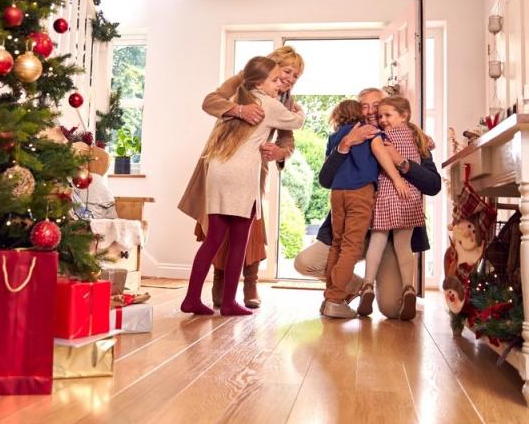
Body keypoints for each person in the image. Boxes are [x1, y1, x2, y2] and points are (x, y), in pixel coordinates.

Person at [294, 88, 442, 318]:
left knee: (392, 309)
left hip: (391, 234)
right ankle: (356, 286)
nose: (373, 112)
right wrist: (344, 146)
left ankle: (373, 288)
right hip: (358, 232)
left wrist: (402, 163)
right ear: (358, 110)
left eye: (378, 106)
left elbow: (433, 185)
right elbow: (325, 180)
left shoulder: (413, 138)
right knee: (305, 262)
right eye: (365, 106)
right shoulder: (350, 137)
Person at [179, 46, 304, 309]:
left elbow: (286, 139)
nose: (291, 79)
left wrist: (280, 151)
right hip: (238, 170)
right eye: (288, 71)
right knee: (235, 236)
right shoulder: (246, 82)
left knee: (230, 234)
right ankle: (224, 293)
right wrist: (238, 110)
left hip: (225, 168)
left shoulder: (281, 98)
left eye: (296, 76)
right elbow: (210, 101)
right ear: (272, 67)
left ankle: (243, 286)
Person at [320, 99, 406, 319]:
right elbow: (381, 153)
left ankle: (329, 297)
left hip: (337, 193)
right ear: (359, 113)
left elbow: (330, 164)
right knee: (351, 246)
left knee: (337, 245)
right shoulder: (369, 131)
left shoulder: (335, 137)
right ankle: (335, 299)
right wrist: (396, 179)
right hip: (360, 192)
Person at [357, 97, 434, 320]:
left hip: (386, 193)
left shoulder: (382, 136)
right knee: (404, 247)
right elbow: (424, 150)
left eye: (387, 115)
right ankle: (408, 288)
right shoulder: (418, 137)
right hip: (410, 195)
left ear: (404, 115)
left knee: (377, 241)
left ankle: (368, 285)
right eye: (380, 116)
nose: (382, 120)